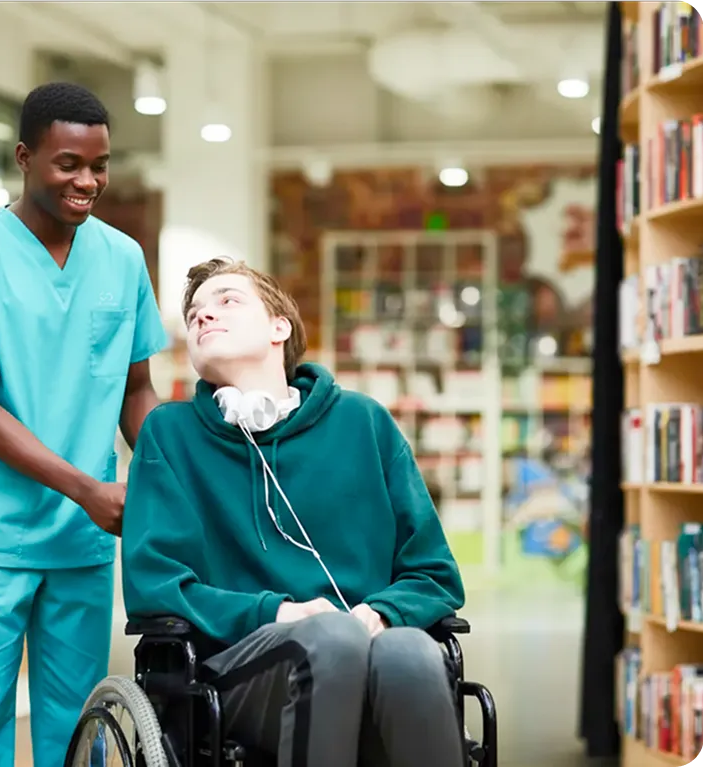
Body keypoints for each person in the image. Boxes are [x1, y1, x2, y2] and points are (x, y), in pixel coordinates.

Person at [121, 257, 465, 767]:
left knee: (411, 652)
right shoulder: (170, 435)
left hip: (369, 651)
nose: (203, 317)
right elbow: (155, 582)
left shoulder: (362, 422)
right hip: (239, 676)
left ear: (279, 326)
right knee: (331, 639)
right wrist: (279, 613)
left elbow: (434, 575)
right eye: (194, 313)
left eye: (227, 301)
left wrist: (379, 614)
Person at [0, 82, 168, 767]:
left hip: (82, 543)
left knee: (78, 730)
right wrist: (88, 488)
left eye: (99, 165)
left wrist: (179, 472)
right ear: (25, 159)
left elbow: (137, 389)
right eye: (68, 164)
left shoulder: (121, 258)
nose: (87, 181)